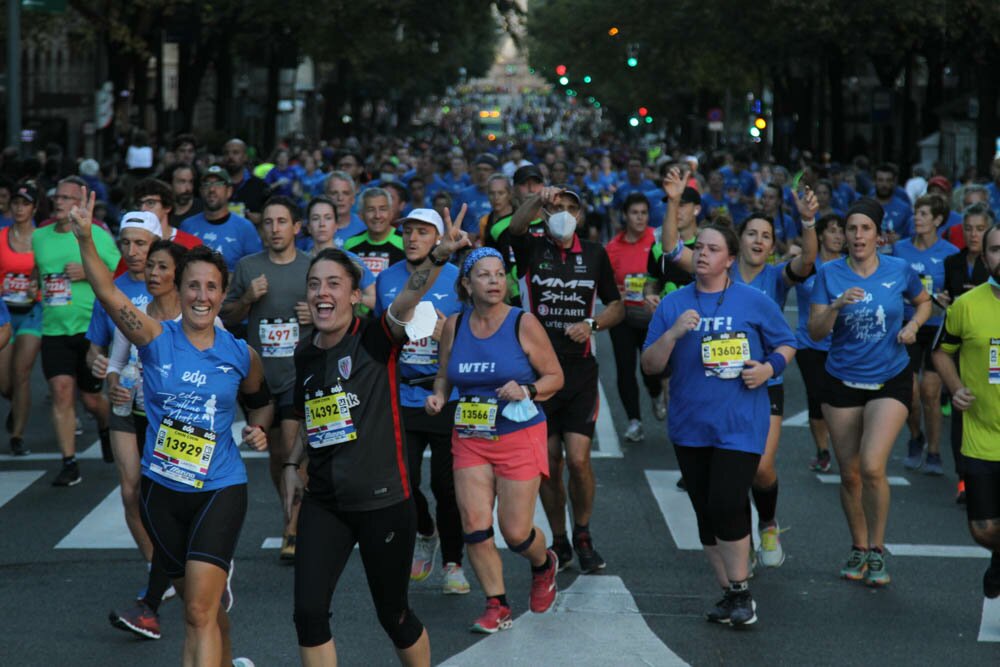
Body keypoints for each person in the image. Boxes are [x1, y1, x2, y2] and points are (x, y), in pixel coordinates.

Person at [72, 188, 270, 666]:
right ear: (179, 291)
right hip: (162, 492)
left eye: (211, 287)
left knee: (199, 612)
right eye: (193, 286)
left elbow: (261, 403)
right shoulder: (155, 339)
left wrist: (258, 429)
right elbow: (107, 291)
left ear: (224, 295)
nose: (202, 296)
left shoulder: (241, 354)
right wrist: (84, 237)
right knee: (195, 609)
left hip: (219, 488)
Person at [282, 207, 471, 666]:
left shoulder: (374, 338)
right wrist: (292, 464)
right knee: (308, 614)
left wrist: (439, 257)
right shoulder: (305, 351)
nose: (322, 292)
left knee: (394, 615)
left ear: (352, 296)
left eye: (333, 284)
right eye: (314, 284)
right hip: (325, 502)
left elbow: (407, 296)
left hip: (383, 503)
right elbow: (314, 416)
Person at [640, 221, 796, 627]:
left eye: (712, 249)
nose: (703, 253)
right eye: (699, 248)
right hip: (690, 423)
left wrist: (768, 369)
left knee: (727, 500)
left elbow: (787, 342)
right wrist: (672, 334)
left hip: (741, 420)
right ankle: (730, 593)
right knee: (705, 511)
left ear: (729, 259)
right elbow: (650, 365)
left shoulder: (752, 300)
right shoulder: (674, 304)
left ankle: (742, 591)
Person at [665, 168, 819, 567]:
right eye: (752, 233)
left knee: (762, 468)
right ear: (739, 243)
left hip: (762, 384)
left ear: (772, 247)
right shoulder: (714, 270)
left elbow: (807, 264)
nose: (759, 240)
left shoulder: (775, 276)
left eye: (766, 236)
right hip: (713, 391)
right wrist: (673, 202)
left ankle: (766, 521)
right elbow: (670, 250)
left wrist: (807, 222)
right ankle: (738, 544)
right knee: (722, 480)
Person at [426, 246, 564, 632]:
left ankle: (543, 563)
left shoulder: (523, 323)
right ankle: (496, 603)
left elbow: (555, 377)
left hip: (518, 433)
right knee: (474, 524)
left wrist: (528, 390)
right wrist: (439, 395)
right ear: (467, 284)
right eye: (484, 275)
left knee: (517, 531)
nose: (494, 281)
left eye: (499, 274)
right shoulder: (454, 325)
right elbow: (444, 373)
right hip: (470, 434)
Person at [808, 197, 932, 587]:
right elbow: (814, 332)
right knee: (850, 475)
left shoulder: (899, 269)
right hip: (842, 379)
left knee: (873, 465)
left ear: (880, 236)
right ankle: (858, 546)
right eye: (852, 228)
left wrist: (913, 328)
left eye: (866, 228)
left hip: (891, 377)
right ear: (843, 235)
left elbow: (923, 302)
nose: (858, 235)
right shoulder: (829, 274)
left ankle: (877, 550)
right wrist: (835, 306)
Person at [508, 186, 624, 573]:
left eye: (572, 208)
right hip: (537, 373)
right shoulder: (532, 247)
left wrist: (591, 324)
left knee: (577, 460)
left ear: (582, 215)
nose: (565, 214)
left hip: (579, 372)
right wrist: (537, 201)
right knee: (549, 463)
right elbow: (515, 227)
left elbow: (617, 306)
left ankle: (584, 532)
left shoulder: (594, 253)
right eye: (559, 208)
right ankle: (559, 539)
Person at [374, 208, 468, 594]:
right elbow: (382, 337)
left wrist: (449, 332)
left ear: (437, 238)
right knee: (405, 483)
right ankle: (425, 531)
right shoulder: (387, 279)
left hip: (448, 394)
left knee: (447, 486)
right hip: (403, 393)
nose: (412, 238)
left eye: (422, 232)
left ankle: (453, 563)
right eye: (407, 231)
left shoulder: (459, 278)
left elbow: (476, 335)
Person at [105, 240, 191, 640]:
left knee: (168, 512)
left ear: (178, 274)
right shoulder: (135, 317)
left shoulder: (197, 318)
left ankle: (160, 597)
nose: (153, 274)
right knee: (149, 503)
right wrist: (113, 387)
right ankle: (155, 602)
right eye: (150, 266)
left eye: (162, 267)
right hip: (134, 417)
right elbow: (114, 364)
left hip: (178, 431)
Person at [222, 196, 313, 561]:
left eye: (281, 222)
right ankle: (290, 511)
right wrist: (247, 298)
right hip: (260, 376)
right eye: (268, 223)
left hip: (297, 374)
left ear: (296, 227)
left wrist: (316, 313)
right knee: (276, 457)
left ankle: (292, 528)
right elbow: (226, 316)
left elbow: (338, 309)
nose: (274, 229)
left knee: (292, 450)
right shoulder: (247, 267)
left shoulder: (311, 267)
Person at [34, 176, 119, 486]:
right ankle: (69, 462)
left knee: (92, 400)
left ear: (82, 205)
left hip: (89, 331)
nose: (60, 202)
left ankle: (106, 426)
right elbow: (35, 271)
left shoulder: (96, 236)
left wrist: (87, 272)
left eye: (68, 198)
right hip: (53, 329)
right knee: (61, 391)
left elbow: (119, 273)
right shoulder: (39, 237)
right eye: (58, 197)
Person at [932, 222, 1000, 601]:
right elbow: (941, 351)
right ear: (985, 256)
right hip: (980, 433)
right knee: (982, 529)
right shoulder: (966, 307)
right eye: (995, 249)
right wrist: (955, 388)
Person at [891, 194, 960, 474]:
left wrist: (947, 299)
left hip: (935, 328)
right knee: (911, 393)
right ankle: (915, 437)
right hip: (907, 328)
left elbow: (956, 294)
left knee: (931, 393)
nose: (916, 218)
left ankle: (933, 452)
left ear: (938, 220)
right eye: (916, 213)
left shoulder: (950, 253)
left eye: (923, 214)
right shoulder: (899, 249)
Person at [941, 203, 993, 503]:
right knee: (963, 407)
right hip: (960, 341)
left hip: (989, 345)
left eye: (980, 229)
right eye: (969, 229)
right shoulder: (952, 262)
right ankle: (964, 478)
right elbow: (948, 298)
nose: (974, 235)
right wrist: (948, 300)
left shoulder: (994, 262)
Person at [605, 192, 662, 442]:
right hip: (623, 316)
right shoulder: (612, 248)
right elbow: (605, 286)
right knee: (625, 369)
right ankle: (634, 421)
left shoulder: (658, 239)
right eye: (634, 213)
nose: (640, 218)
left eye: (644, 213)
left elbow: (667, 275)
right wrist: (615, 290)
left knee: (649, 367)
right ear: (625, 216)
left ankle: (656, 392)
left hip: (651, 316)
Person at [794, 214, 846, 472]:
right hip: (808, 344)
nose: (838, 236)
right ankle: (823, 450)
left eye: (841, 231)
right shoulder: (806, 265)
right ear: (821, 235)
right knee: (816, 397)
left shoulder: (850, 266)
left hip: (843, 344)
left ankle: (844, 448)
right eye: (832, 230)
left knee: (838, 399)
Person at [0, 182, 43, 455]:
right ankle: (16, 405)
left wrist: (37, 283)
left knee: (22, 374)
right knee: (5, 382)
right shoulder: (1, 235)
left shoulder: (42, 239)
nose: (19, 208)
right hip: (4, 312)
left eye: (25, 203)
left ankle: (17, 436)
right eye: (16, 203)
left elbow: (51, 270)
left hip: (32, 311)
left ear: (34, 208)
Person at [180, 165, 262, 272]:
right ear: (200, 191)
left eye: (218, 184)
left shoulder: (245, 228)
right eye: (207, 184)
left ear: (229, 191)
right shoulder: (187, 226)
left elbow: (255, 271)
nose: (212, 189)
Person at [304, 196, 377, 310]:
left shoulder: (351, 260)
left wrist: (351, 297)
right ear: (308, 227)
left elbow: (375, 300)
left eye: (328, 218)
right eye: (315, 218)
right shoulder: (300, 261)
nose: (322, 224)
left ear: (336, 225)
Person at [343, 188, 405, 278]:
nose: (377, 215)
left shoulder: (405, 242)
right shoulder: (350, 244)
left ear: (391, 213)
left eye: (382, 209)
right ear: (361, 215)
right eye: (371, 209)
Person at [223, 138, 269, 225]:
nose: (230, 157)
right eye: (226, 153)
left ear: (245, 157)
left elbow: (270, 216)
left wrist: (261, 218)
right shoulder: (216, 185)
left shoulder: (260, 186)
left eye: (235, 152)